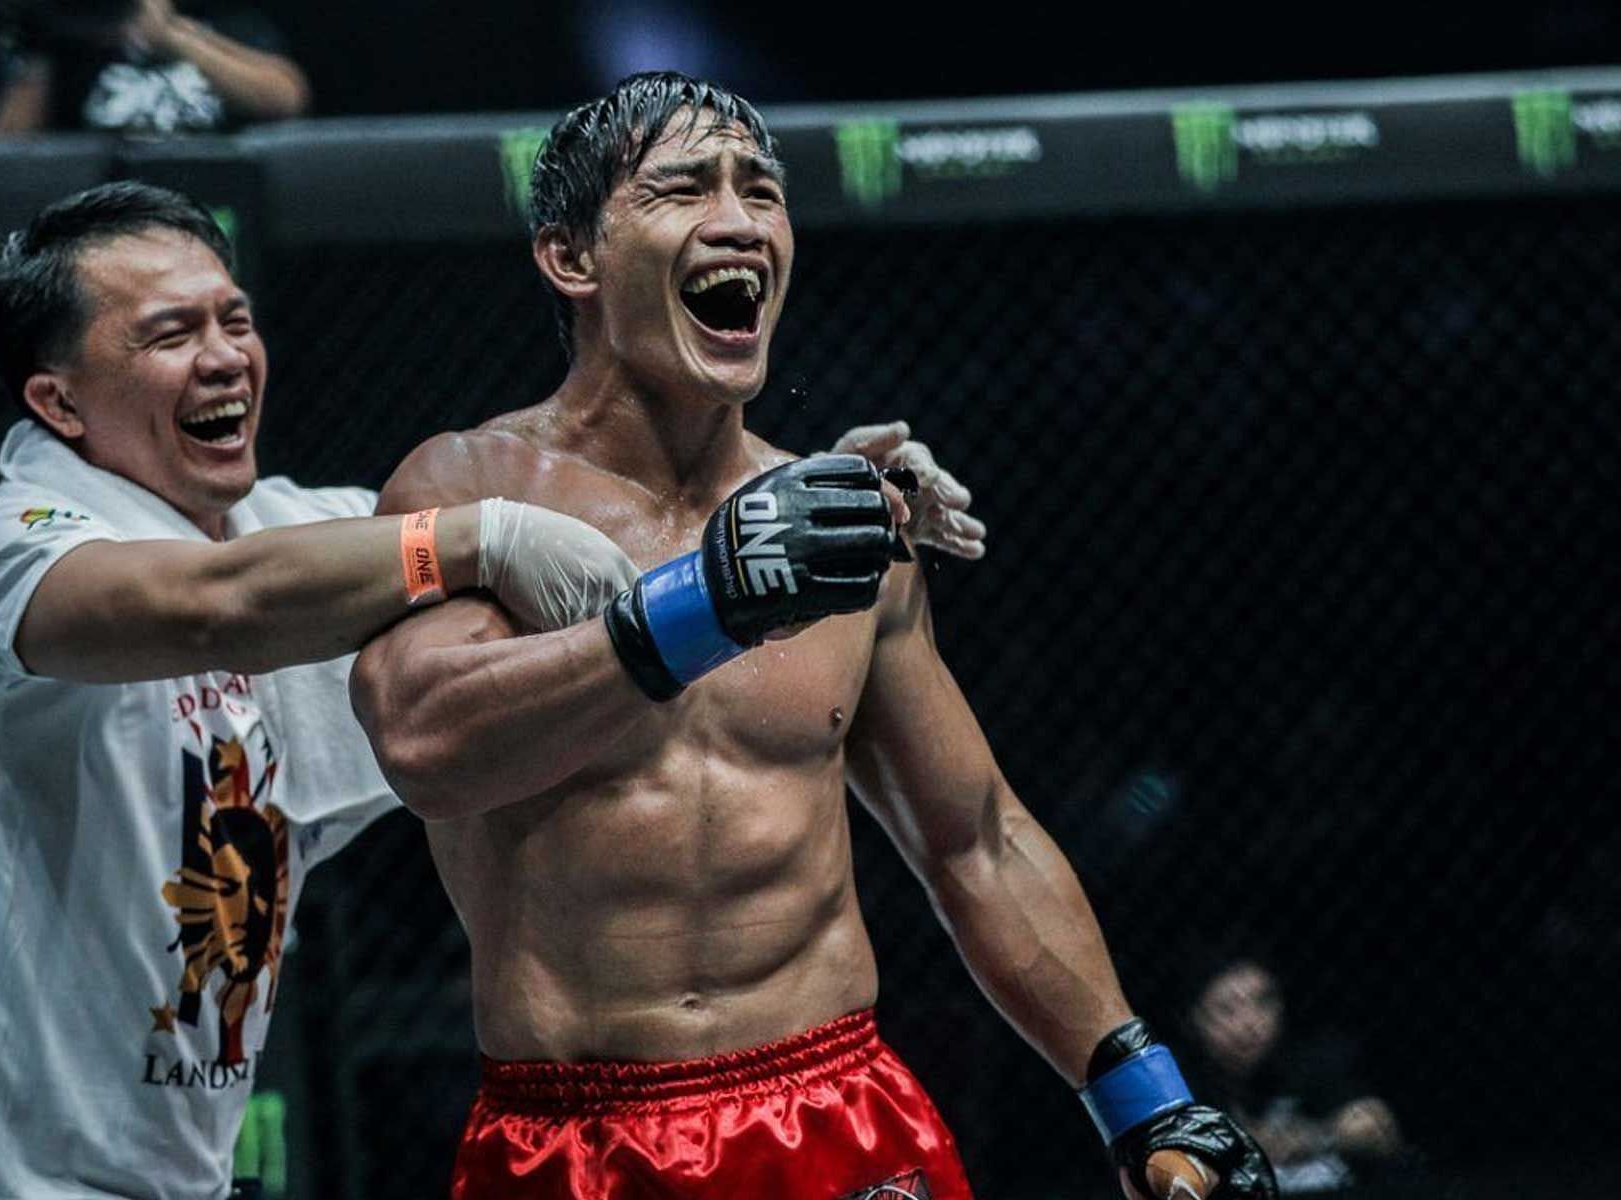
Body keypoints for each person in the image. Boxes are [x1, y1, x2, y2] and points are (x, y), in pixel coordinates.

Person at [0, 178, 986, 1200]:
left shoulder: (304, 535)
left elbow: (618, 567)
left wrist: (809, 508)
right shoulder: (3, 551)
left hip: (182, 1179)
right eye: (171, 335)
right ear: (59, 403)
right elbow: (213, 603)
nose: (225, 358)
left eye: (235, 319)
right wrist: (475, 536)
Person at [348, 72, 1278, 1200]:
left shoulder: (839, 522)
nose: (739, 221)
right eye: (684, 188)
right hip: (582, 1137)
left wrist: (1146, 1098)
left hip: (834, 1111)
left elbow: (972, 840)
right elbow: (425, 747)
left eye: (764, 192)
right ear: (573, 257)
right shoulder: (469, 485)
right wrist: (712, 601)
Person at [1184, 956, 1407, 1194]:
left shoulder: (1306, 1063)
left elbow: (1378, 1127)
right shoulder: (1183, 1081)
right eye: (1227, 1010)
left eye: (1264, 1002)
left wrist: (1313, 1138)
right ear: (1194, 1020)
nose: (1250, 1022)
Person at [0, 0, 309, 137]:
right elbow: (8, 162)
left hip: (214, 199)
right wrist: (41, 43)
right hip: (100, 218)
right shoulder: (54, 40)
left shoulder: (209, 18)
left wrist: (170, 37)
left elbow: (286, 97)